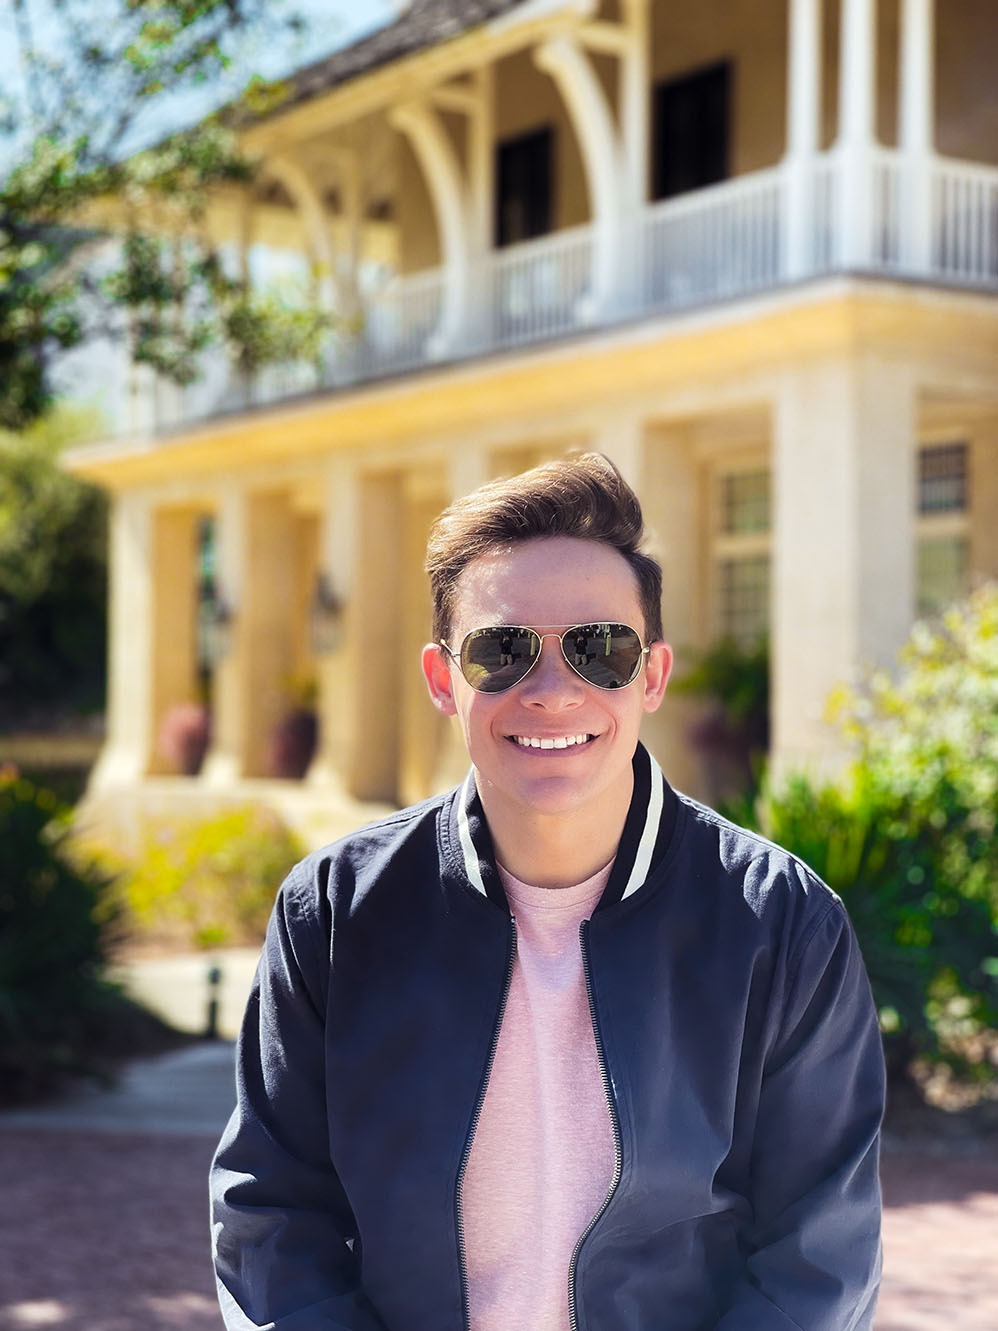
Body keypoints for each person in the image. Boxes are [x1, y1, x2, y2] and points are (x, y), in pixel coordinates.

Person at [210, 453, 885, 1331]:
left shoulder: (782, 922)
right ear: (444, 680)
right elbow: (271, 1215)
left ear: (651, 675)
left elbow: (819, 1258)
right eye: (502, 650)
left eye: (600, 649)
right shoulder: (335, 912)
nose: (554, 690)